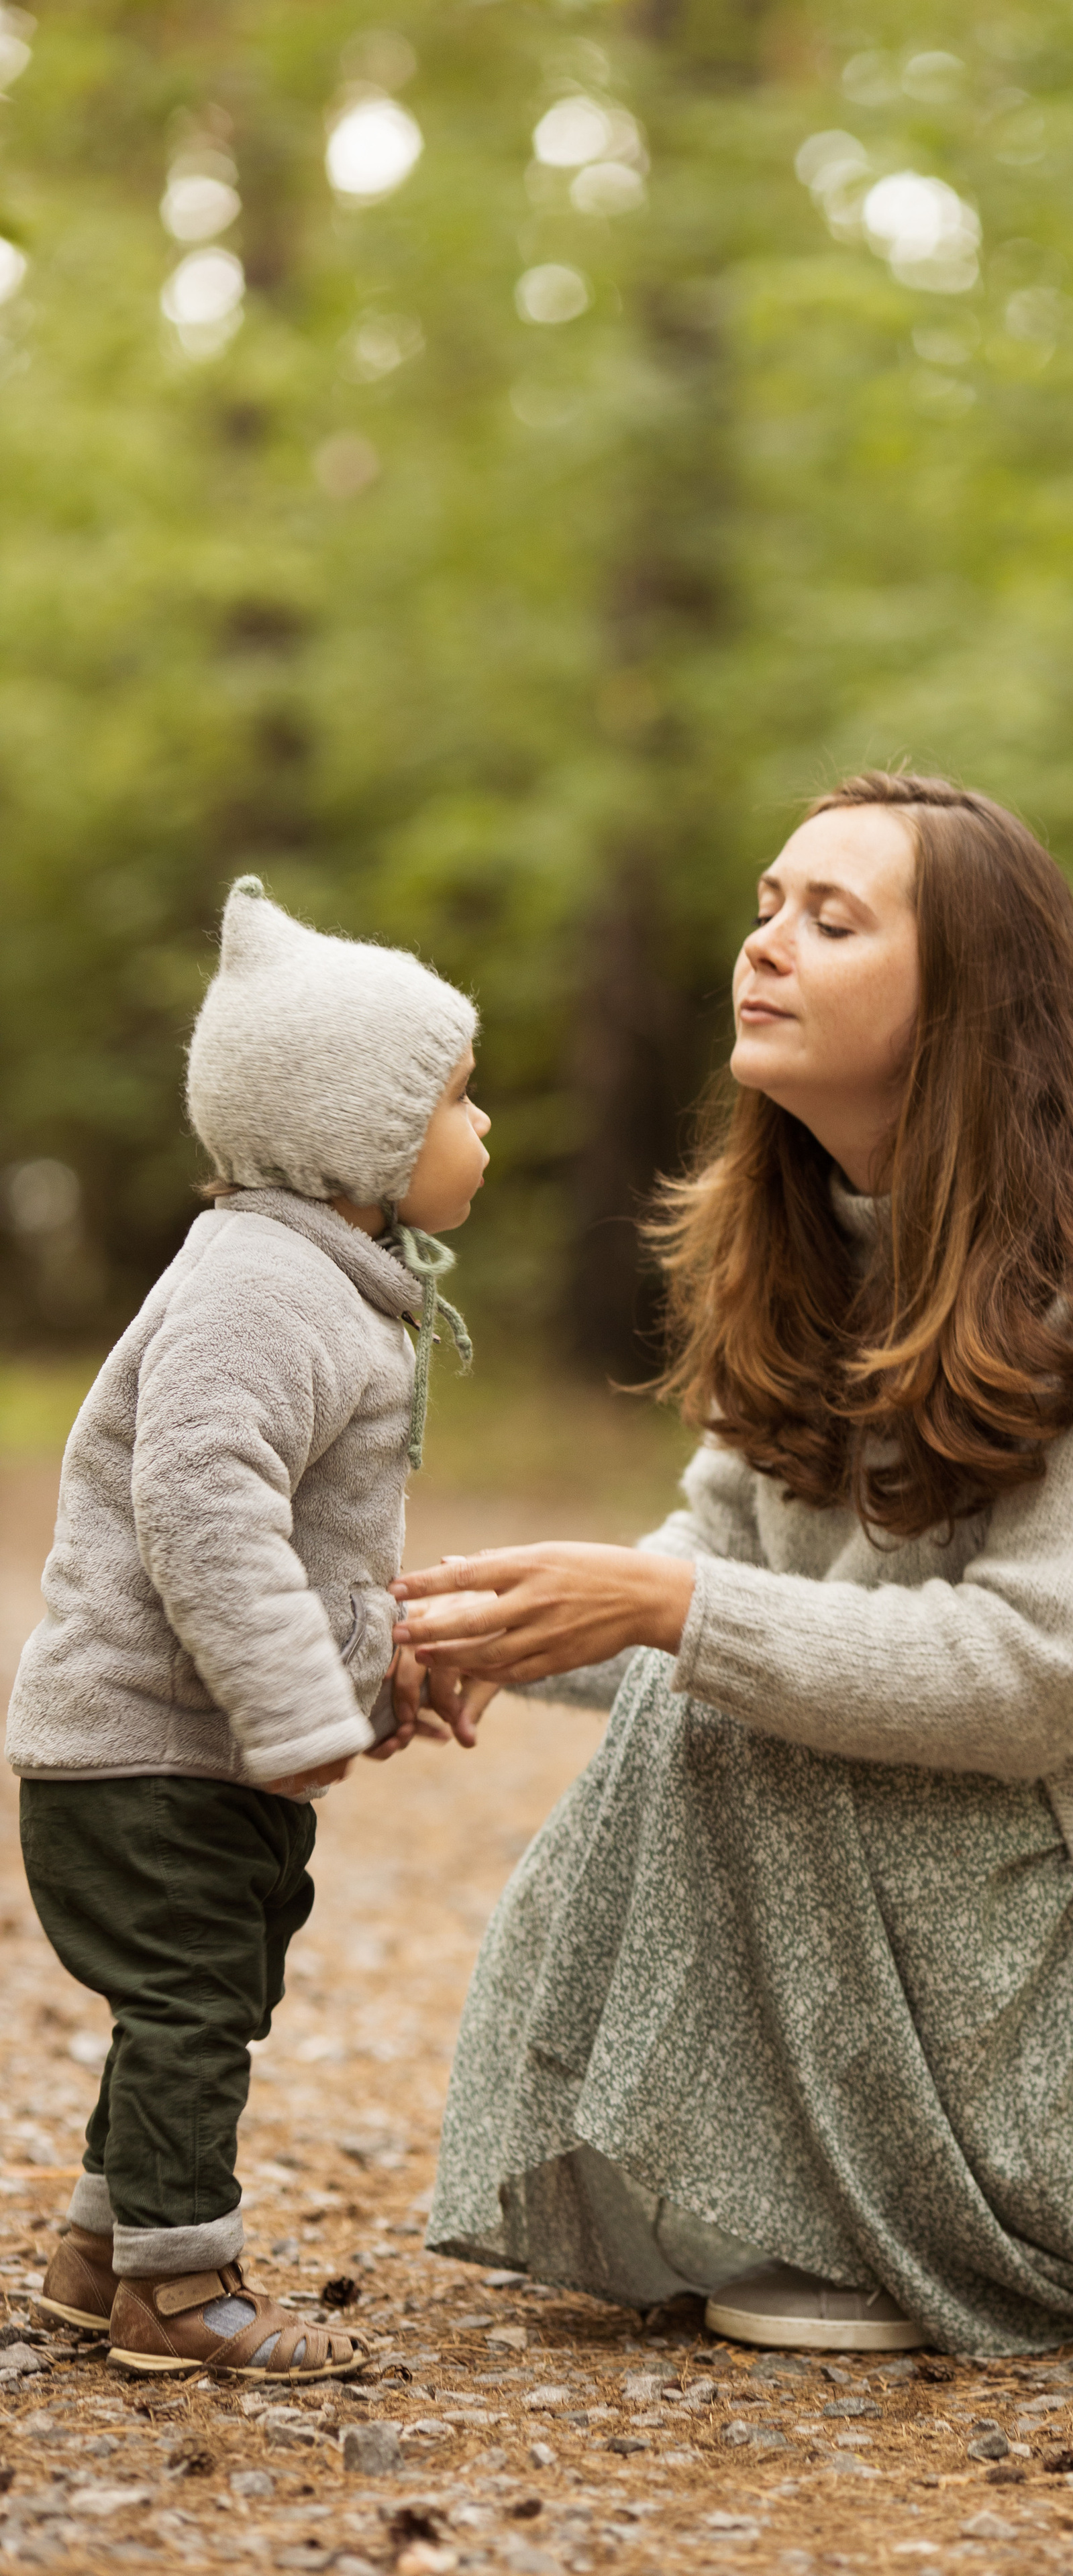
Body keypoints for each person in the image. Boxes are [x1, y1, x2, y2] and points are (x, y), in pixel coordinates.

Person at [393, 773, 1073, 2357]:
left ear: (968, 1002)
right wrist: (494, 1625)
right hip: (1071, 1785)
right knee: (722, 1684)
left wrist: (668, 1613)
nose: (766, 945)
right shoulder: (819, 1232)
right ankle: (862, 2196)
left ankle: (969, 2218)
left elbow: (1022, 1681)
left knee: (726, 1702)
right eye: (764, 908)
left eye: (831, 919)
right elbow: (719, 1559)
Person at [7, 876, 489, 2381]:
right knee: (194, 2004)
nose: (486, 1133)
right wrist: (293, 1707)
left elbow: (309, 1543)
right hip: (149, 1752)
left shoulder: (319, 1281)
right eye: (462, 1102)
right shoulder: (265, 1285)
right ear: (361, 1135)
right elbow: (204, 1505)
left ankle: (99, 2256)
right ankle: (177, 2291)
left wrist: (371, 1668)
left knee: (204, 1994)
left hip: (197, 1751)